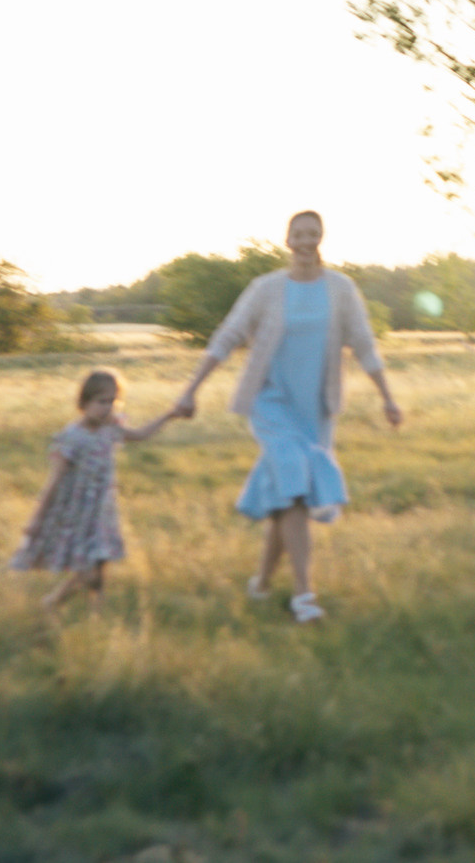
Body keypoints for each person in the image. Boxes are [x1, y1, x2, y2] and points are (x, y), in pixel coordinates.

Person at [168, 211, 402, 623]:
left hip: (316, 407)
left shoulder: (341, 288)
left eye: (314, 234)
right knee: (294, 486)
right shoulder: (266, 288)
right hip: (271, 402)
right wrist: (191, 390)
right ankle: (303, 595)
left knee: (288, 490)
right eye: (300, 234)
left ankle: (260, 583)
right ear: (288, 240)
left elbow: (364, 343)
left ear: (321, 238)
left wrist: (388, 397)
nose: (307, 241)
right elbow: (227, 336)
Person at [12, 368, 188, 612]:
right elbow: (53, 481)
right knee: (88, 570)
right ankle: (52, 602)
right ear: (84, 402)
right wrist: (36, 519)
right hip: (76, 513)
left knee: (101, 561)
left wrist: (169, 415)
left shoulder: (111, 429)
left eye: (113, 401)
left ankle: (98, 610)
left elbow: (140, 435)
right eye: (101, 401)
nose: (108, 408)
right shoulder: (72, 437)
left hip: (102, 509)